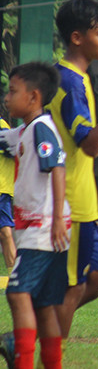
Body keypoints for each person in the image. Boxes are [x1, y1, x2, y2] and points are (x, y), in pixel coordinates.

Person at [48, 0, 98, 339]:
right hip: (71, 202)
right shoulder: (68, 81)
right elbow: (91, 145)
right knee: (71, 286)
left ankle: (30, 334)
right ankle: (51, 355)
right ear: (77, 38)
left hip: (84, 200)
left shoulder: (76, 77)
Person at [0, 63, 70, 369]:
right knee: (43, 307)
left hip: (42, 230)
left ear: (34, 97)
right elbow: (6, 140)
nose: (6, 97)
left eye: (13, 91)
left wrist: (55, 219)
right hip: (42, 230)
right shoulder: (26, 130)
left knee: (17, 295)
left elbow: (56, 166)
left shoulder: (42, 128)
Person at [0, 115, 16, 270]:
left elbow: (13, 150)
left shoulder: (1, 125)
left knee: (5, 233)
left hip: (1, 188)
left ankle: (15, 276)